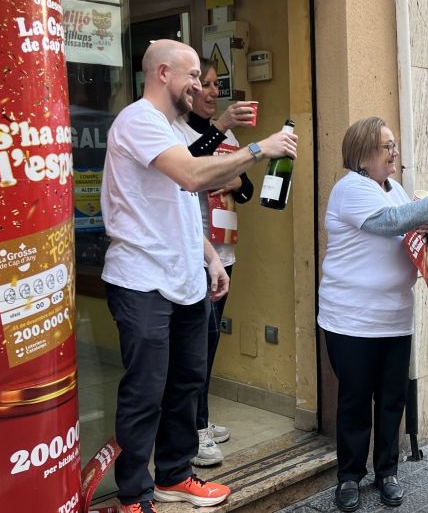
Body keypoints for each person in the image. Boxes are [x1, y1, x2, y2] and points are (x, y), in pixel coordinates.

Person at [101, 39, 297, 513]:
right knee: (146, 391)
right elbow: (192, 176)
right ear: (163, 72)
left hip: (186, 277)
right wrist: (258, 148)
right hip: (141, 281)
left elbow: (182, 202)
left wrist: (210, 257)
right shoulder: (138, 120)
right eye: (193, 75)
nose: (199, 85)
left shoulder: (172, 127)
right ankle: (133, 494)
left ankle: (174, 475)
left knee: (187, 383)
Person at [318, 117, 428, 512]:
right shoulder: (350, 190)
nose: (394, 153)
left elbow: (408, 230)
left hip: (394, 316)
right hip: (352, 320)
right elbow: (390, 223)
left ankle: (387, 472)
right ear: (362, 153)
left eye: (394, 145)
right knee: (356, 401)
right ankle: (349, 477)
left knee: (392, 399)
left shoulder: (393, 189)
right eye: (386, 146)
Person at [172, 57, 255, 467]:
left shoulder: (226, 140)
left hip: (225, 254)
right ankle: (195, 430)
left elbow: (247, 188)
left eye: (214, 84)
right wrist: (221, 125)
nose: (210, 91)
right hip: (194, 254)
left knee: (210, 343)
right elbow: (186, 168)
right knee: (196, 350)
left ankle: (200, 420)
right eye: (203, 83)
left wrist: (236, 179)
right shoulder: (181, 135)